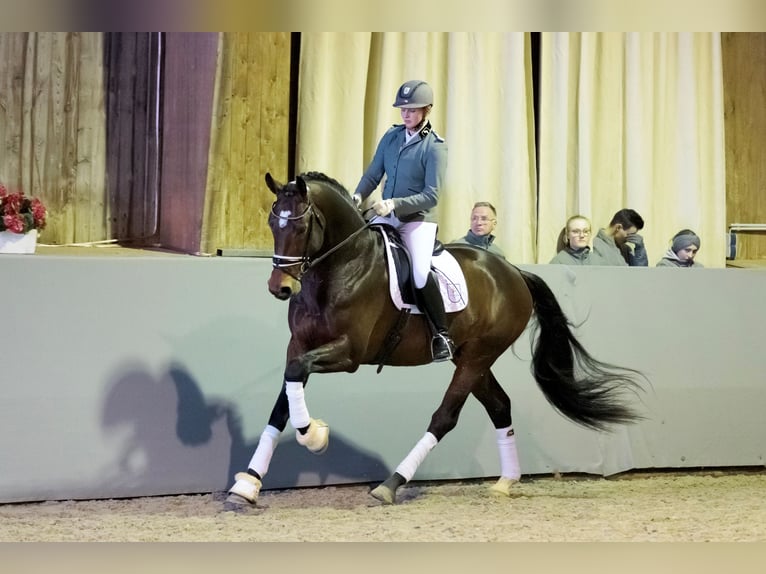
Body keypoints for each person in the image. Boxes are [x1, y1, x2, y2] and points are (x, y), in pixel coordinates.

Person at [352, 80, 454, 362]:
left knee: (420, 273)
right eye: (403, 109)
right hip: (386, 216)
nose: (406, 114)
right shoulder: (391, 137)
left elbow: (431, 196)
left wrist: (395, 203)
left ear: (427, 110)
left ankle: (441, 334)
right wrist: (358, 196)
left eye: (412, 109)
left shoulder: (435, 148)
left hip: (417, 221)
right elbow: (373, 174)